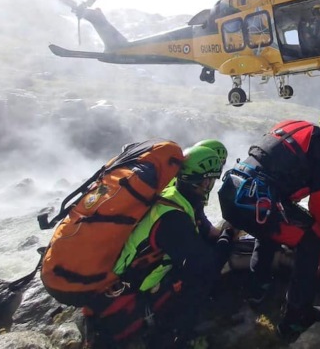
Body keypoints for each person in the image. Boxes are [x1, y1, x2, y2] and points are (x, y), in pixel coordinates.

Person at [218, 108, 320, 338]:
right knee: (312, 239)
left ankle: (257, 288)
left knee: (272, 227)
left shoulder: (291, 126)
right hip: (258, 202)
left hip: (234, 192)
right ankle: (295, 318)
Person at [87, 142, 231, 347]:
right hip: (133, 285)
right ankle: (177, 338)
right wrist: (228, 238)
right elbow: (204, 265)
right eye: (210, 181)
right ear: (204, 181)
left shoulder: (170, 195)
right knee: (200, 279)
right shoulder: (174, 218)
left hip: (123, 274)